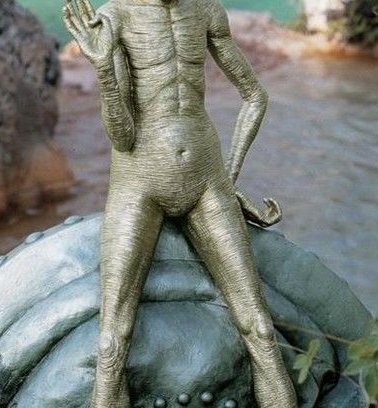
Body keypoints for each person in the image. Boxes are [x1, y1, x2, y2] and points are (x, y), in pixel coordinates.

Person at [62, 0, 297, 406]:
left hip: (207, 182)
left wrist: (229, 179)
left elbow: (255, 97)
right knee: (111, 342)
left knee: (260, 329)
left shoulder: (206, 10)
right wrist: (103, 71)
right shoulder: (116, 16)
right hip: (139, 184)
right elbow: (122, 137)